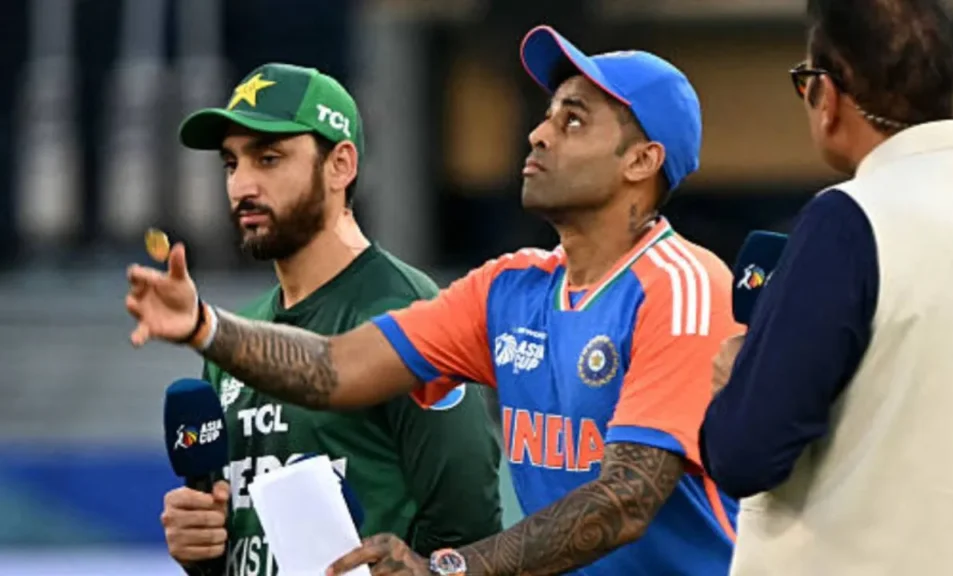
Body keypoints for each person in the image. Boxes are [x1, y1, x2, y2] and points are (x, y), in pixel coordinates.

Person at [127, 27, 741, 576]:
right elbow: (337, 367)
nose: (538, 133)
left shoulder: (682, 286)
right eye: (548, 115)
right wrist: (204, 326)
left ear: (641, 160)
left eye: (573, 121)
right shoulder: (510, 286)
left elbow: (626, 499)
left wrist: (447, 569)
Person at [699, 1, 953, 575]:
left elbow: (746, 454)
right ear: (952, 79)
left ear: (826, 95)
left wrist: (739, 387)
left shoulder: (849, 220)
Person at [157, 62, 504, 576]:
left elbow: (469, 527)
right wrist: (201, 548)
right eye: (231, 164)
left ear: (340, 165)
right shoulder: (237, 335)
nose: (241, 186)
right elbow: (246, 538)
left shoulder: (410, 312)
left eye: (268, 158)